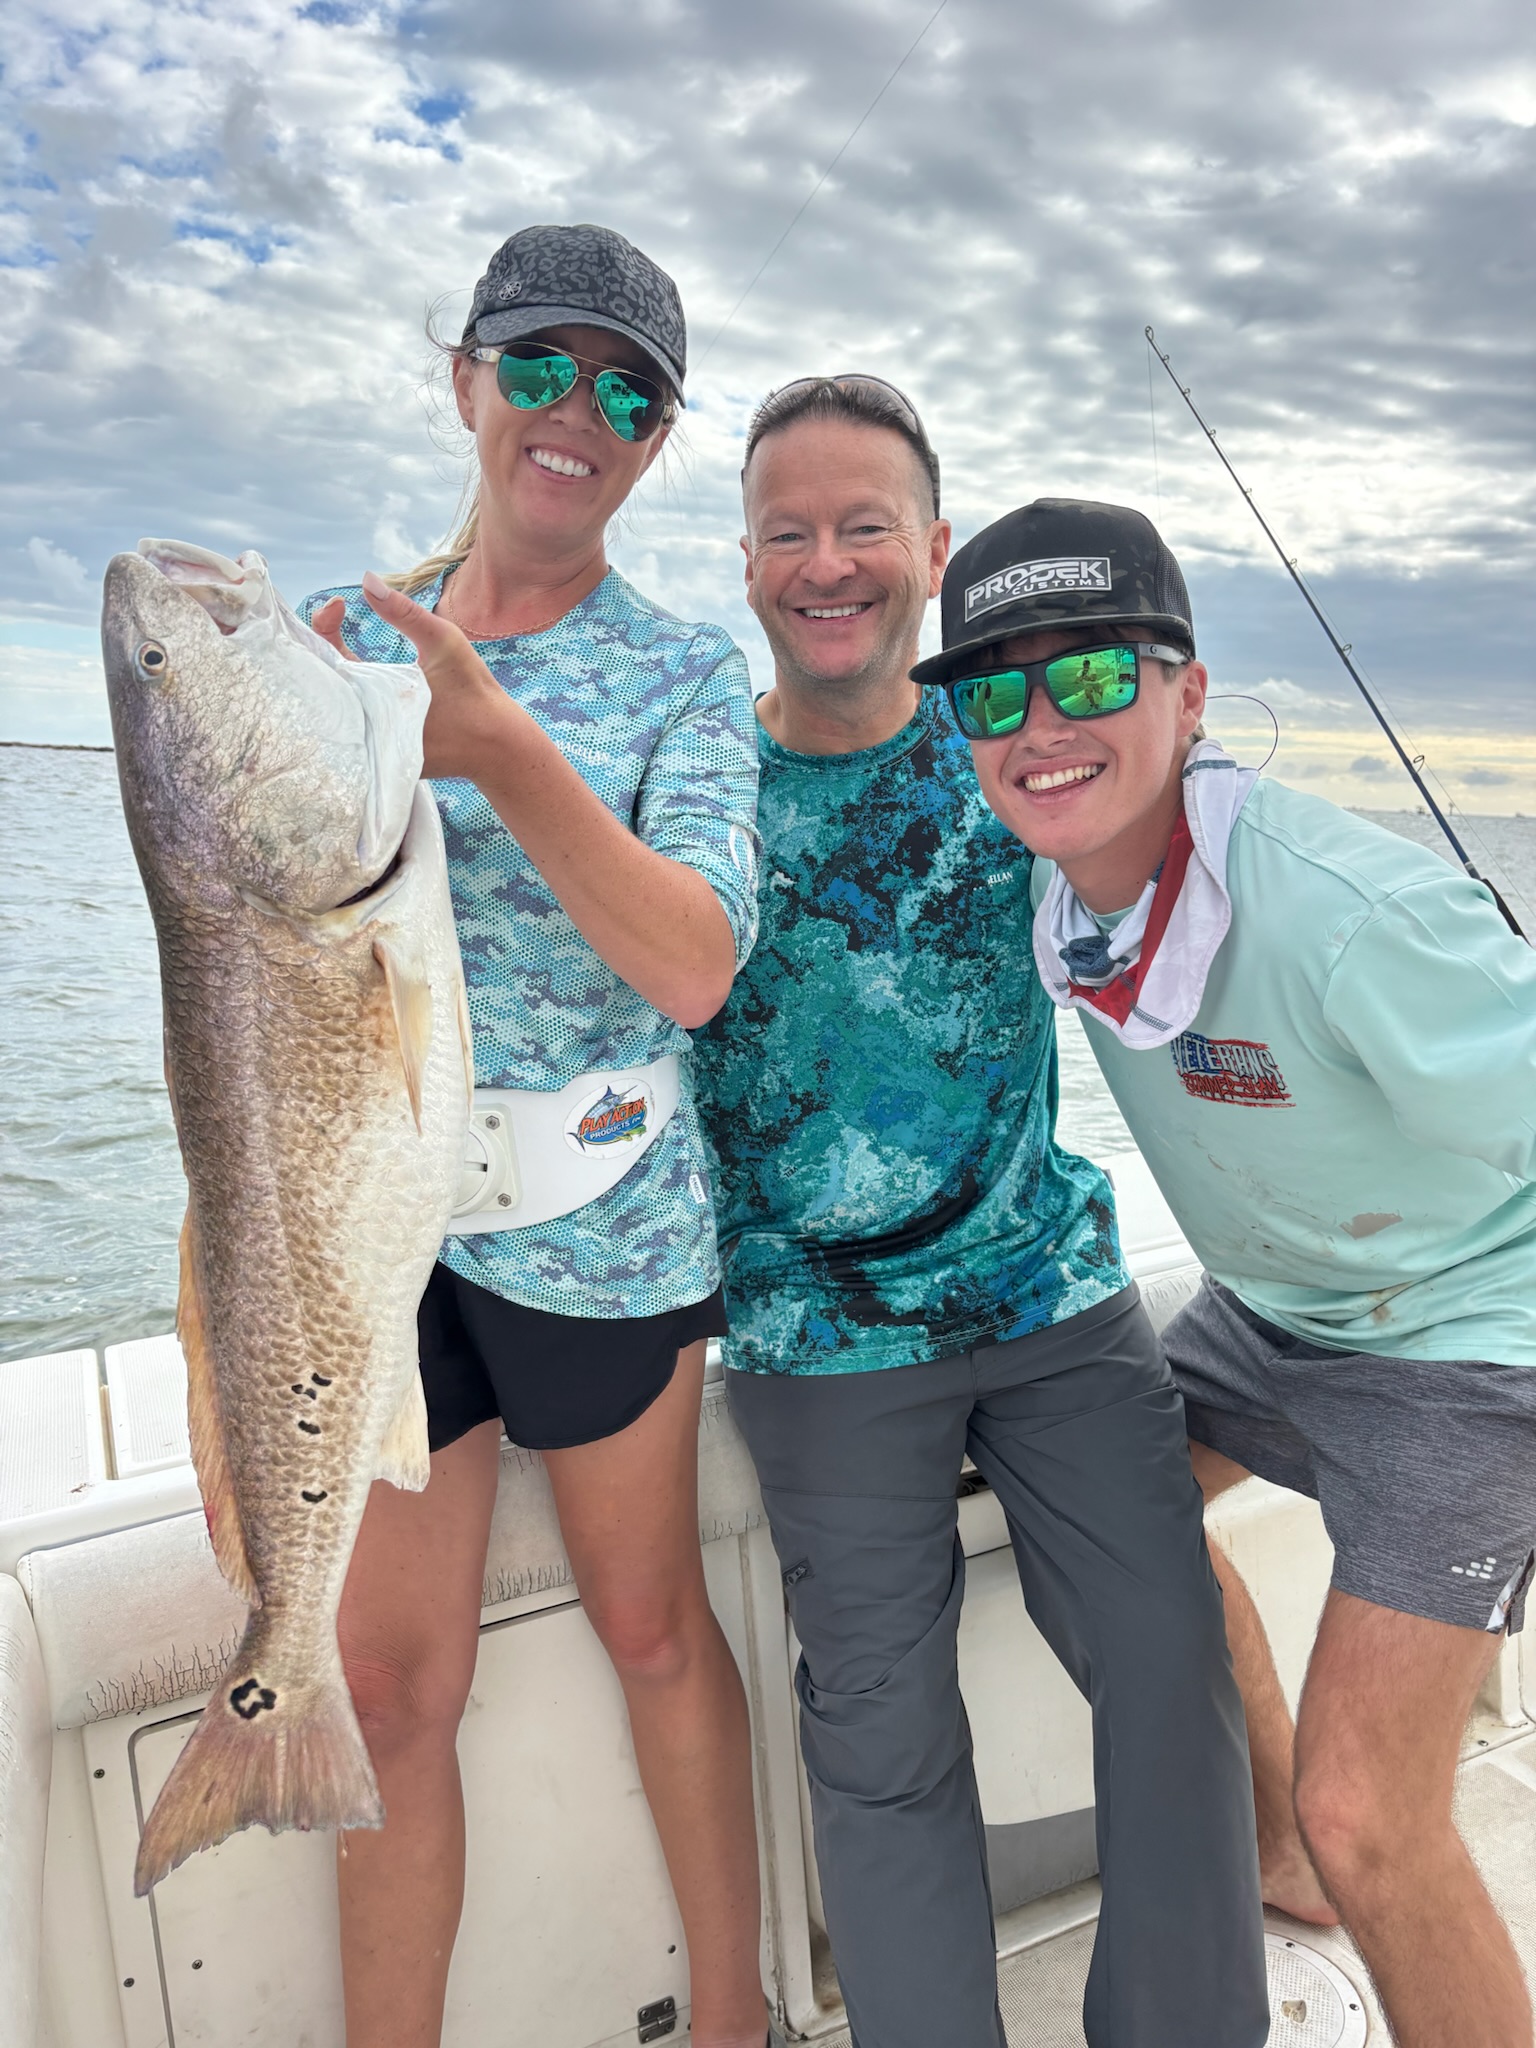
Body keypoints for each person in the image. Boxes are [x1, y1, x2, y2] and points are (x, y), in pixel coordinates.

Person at [689, 381, 1268, 2048]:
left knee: (1169, 1665)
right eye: (789, 530)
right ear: (747, 567)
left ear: (931, 552)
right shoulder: (697, 782)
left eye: (867, 523)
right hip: (813, 1329)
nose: (830, 561)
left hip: (1050, 1294)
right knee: (878, 1743)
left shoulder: (1008, 748)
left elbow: (1186, 854)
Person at [929, 493, 1536, 2048]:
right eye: (994, 690)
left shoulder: (1350, 918)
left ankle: (1322, 1846)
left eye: (1093, 676)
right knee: (1099, 1509)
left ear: (1189, 694)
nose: (1042, 724)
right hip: (1271, 1322)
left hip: (1470, 1340)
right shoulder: (1064, 890)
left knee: (1373, 1814)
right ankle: (1275, 1855)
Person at [304, 224, 766, 2048]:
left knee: (651, 1631)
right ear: (468, 378)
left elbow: (703, 964)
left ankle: (731, 2023)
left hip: (601, 1226)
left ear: (653, 444)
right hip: (374, 1231)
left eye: (629, 392)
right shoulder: (342, 644)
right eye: (545, 368)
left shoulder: (679, 677)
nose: (581, 413)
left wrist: (500, 749)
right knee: (387, 1687)